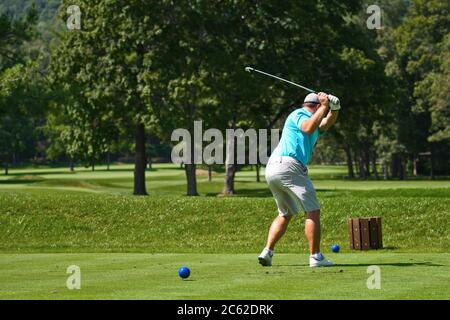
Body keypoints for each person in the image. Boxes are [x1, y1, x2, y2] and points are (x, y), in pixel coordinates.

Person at [258, 92, 340, 267]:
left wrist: (335, 109)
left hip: (275, 168)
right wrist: (325, 106)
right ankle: (315, 257)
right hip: (289, 166)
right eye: (321, 108)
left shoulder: (315, 118)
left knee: (285, 213)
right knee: (313, 210)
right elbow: (308, 127)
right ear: (316, 106)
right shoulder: (299, 114)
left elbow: (325, 124)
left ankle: (267, 252)